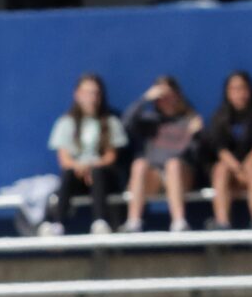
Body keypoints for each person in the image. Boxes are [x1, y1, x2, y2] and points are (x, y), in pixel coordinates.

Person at [42, 73, 127, 235]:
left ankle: (100, 222)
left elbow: (111, 157)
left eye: (96, 93)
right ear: (77, 95)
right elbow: (64, 160)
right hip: (76, 178)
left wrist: (91, 167)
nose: (92, 98)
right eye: (88, 93)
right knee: (67, 174)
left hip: (103, 178)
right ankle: (58, 224)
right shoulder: (65, 123)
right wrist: (80, 168)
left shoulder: (111, 122)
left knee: (97, 173)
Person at [122, 77, 204, 233]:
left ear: (177, 95)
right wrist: (144, 99)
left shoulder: (189, 121)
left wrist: (192, 135)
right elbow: (126, 124)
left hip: (180, 175)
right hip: (154, 177)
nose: (165, 100)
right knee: (139, 164)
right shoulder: (149, 120)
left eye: (168, 95)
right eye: (161, 95)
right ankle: (133, 222)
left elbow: (193, 154)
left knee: (173, 164)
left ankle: (179, 222)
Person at [204, 71, 252, 231]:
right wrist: (237, 169)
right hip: (231, 172)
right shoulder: (220, 117)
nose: (239, 93)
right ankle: (222, 223)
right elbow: (220, 150)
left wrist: (244, 169)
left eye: (242, 88)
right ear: (227, 92)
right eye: (234, 89)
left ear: (250, 90)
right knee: (220, 169)